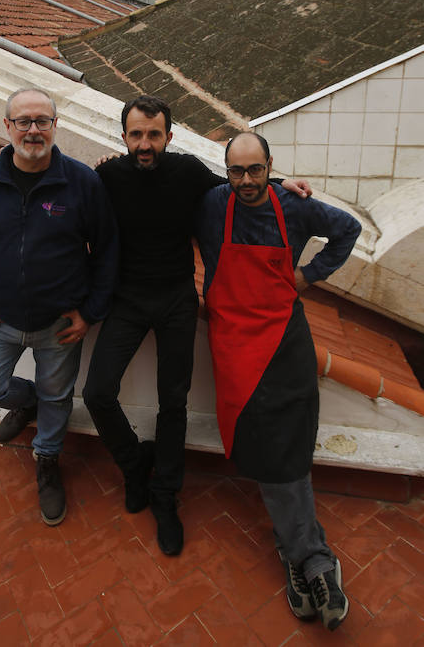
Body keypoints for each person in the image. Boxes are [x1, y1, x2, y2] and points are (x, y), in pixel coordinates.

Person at [83, 95, 310, 557]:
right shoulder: (108, 176)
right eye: (135, 135)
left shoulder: (187, 171)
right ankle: (134, 465)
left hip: (176, 301)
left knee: (174, 402)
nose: (144, 144)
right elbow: (72, 198)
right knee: (97, 392)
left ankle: (165, 495)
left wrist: (282, 184)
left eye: (154, 134)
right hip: (126, 300)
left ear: (169, 135)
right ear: (123, 136)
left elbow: (237, 187)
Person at [196, 130, 361, 632]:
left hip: (285, 338)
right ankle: (308, 556)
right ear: (225, 171)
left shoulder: (294, 206)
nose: (246, 181)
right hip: (234, 343)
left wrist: (307, 276)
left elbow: (348, 229)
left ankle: (306, 557)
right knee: (267, 442)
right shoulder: (211, 203)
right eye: (237, 171)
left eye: (256, 170)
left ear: (270, 167)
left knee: (288, 438)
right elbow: (155, 183)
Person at [0, 88, 118, 526]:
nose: (33, 130)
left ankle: (47, 459)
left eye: (42, 121)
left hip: (59, 324)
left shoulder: (82, 181)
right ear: (7, 126)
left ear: (55, 126)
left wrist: (90, 312)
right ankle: (28, 401)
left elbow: (107, 251)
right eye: (23, 121)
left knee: (58, 396)